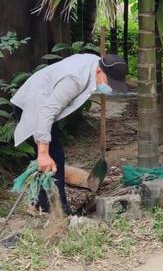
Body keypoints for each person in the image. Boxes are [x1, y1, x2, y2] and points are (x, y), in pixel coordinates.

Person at [11, 53, 129, 214]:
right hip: (34, 106)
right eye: (111, 83)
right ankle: (54, 209)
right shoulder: (75, 80)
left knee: (55, 157)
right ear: (99, 73)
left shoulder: (97, 63)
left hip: (46, 101)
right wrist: (43, 152)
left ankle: (42, 204)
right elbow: (47, 111)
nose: (111, 88)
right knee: (51, 157)